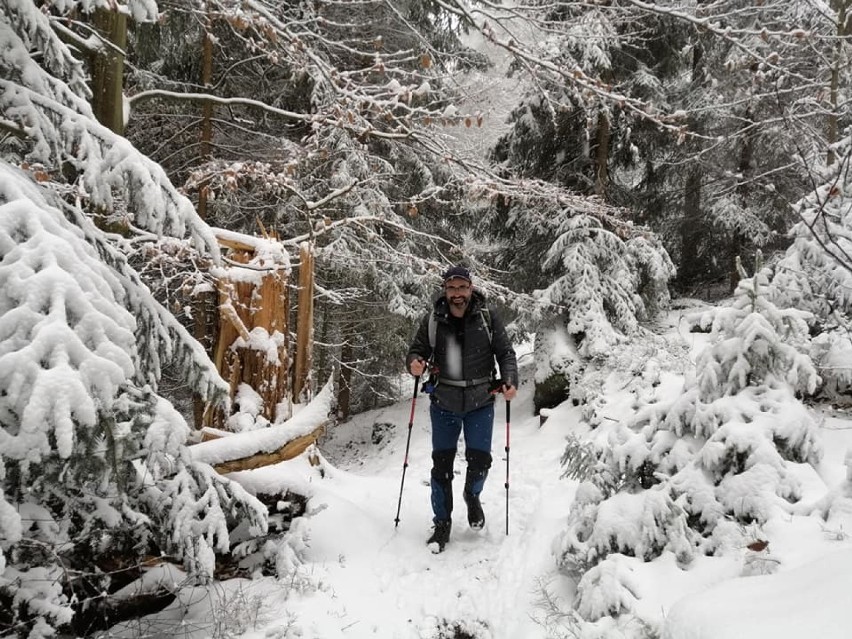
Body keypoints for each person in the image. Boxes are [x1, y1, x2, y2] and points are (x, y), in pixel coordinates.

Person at [406, 265, 518, 552]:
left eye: (462, 288)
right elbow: (417, 350)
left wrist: (509, 380)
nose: (457, 294)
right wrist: (414, 362)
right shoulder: (434, 319)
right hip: (444, 402)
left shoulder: (487, 318)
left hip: (481, 402)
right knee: (441, 467)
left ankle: (472, 495)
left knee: (480, 462)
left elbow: (505, 353)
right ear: (445, 290)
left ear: (471, 288)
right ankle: (442, 524)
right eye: (452, 288)